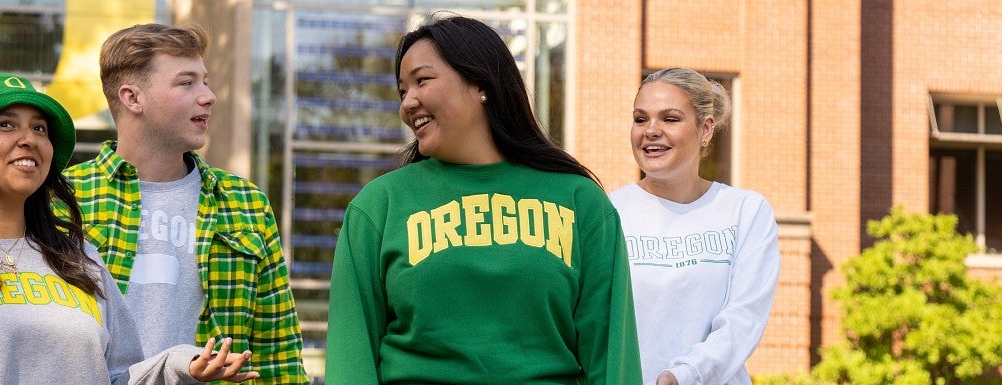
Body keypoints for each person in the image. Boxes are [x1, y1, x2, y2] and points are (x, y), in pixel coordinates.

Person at [0, 73, 257, 384]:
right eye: (6, 125)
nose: (28, 139)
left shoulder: (78, 258)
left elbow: (118, 376)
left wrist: (182, 364)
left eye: (39, 129)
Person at [325, 15, 642, 385]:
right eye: (401, 91)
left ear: (481, 83)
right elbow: (351, 356)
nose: (408, 102)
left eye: (422, 81)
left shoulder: (581, 203)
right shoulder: (378, 206)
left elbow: (611, 357)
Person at [61, 24, 308, 385]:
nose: (208, 96)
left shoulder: (246, 204)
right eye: (186, 82)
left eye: (205, 81)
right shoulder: (63, 199)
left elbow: (278, 352)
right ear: (132, 98)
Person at [608, 68, 781, 385]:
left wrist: (684, 375)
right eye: (640, 119)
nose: (651, 131)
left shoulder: (745, 212)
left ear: (706, 129)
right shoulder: (607, 212)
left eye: (670, 119)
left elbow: (744, 319)